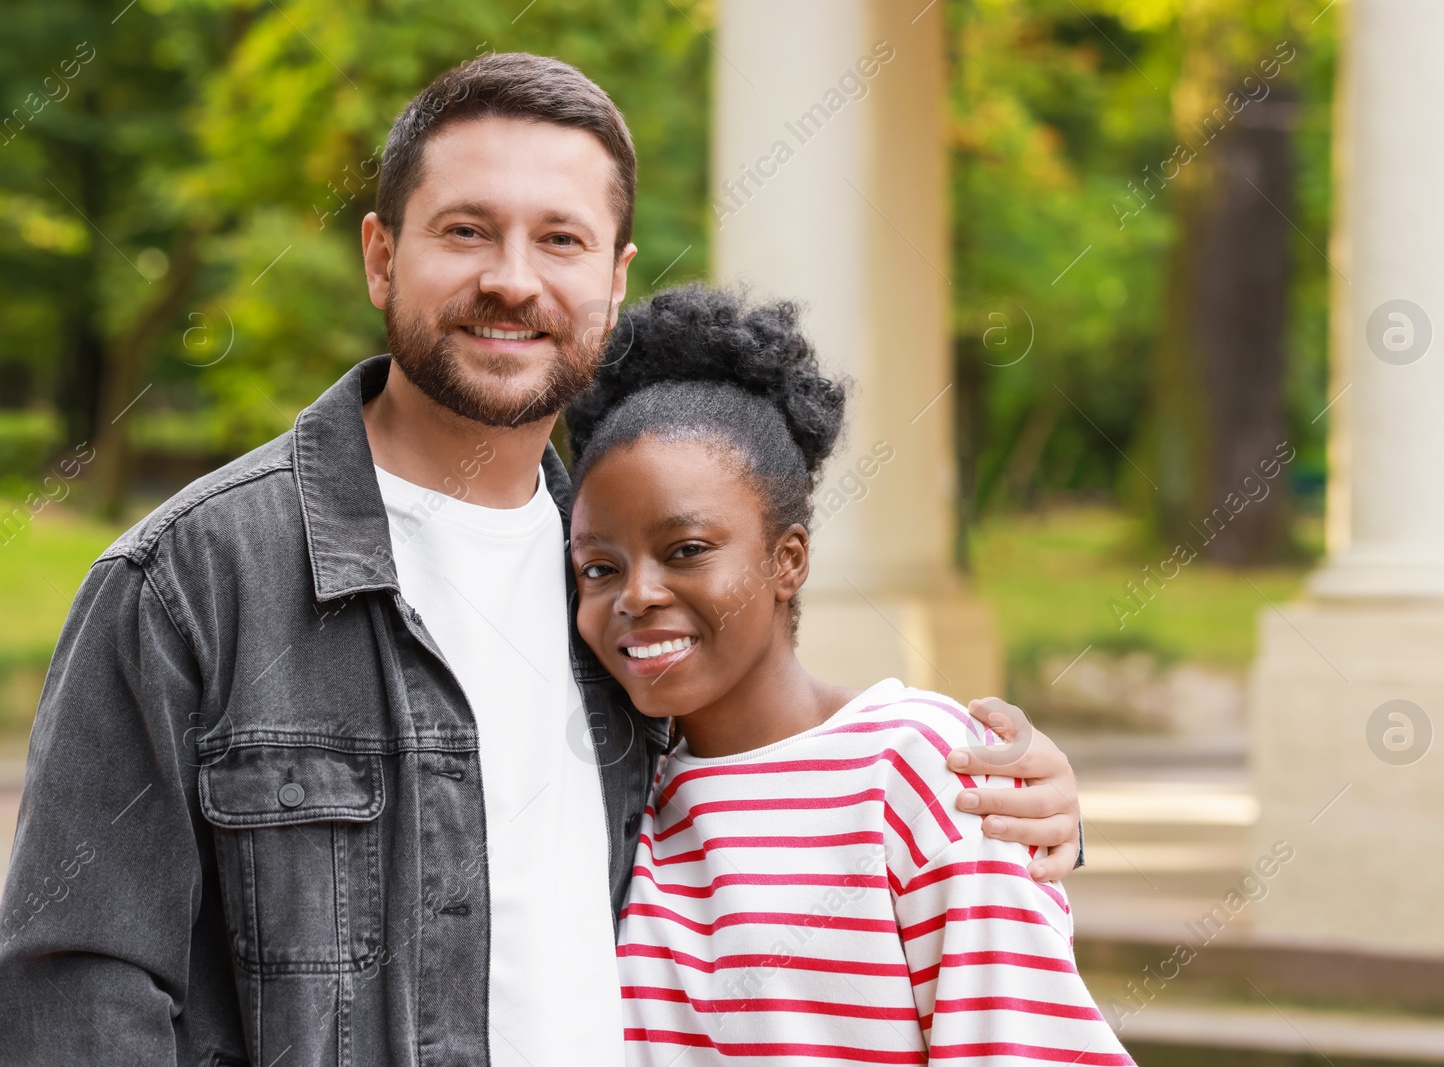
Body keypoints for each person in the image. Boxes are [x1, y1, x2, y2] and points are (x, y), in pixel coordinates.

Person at [0, 53, 1084, 1065]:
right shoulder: (190, 580)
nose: (511, 281)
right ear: (382, 255)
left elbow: (786, 774)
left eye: (558, 240)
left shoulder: (620, 586)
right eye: (466, 231)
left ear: (612, 282)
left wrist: (1018, 810)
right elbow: (79, 980)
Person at [566, 286, 1131, 1065]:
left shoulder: (920, 766)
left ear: (786, 558)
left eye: (687, 549)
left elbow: (1017, 1041)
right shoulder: (615, 796)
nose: (636, 595)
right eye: (600, 566)